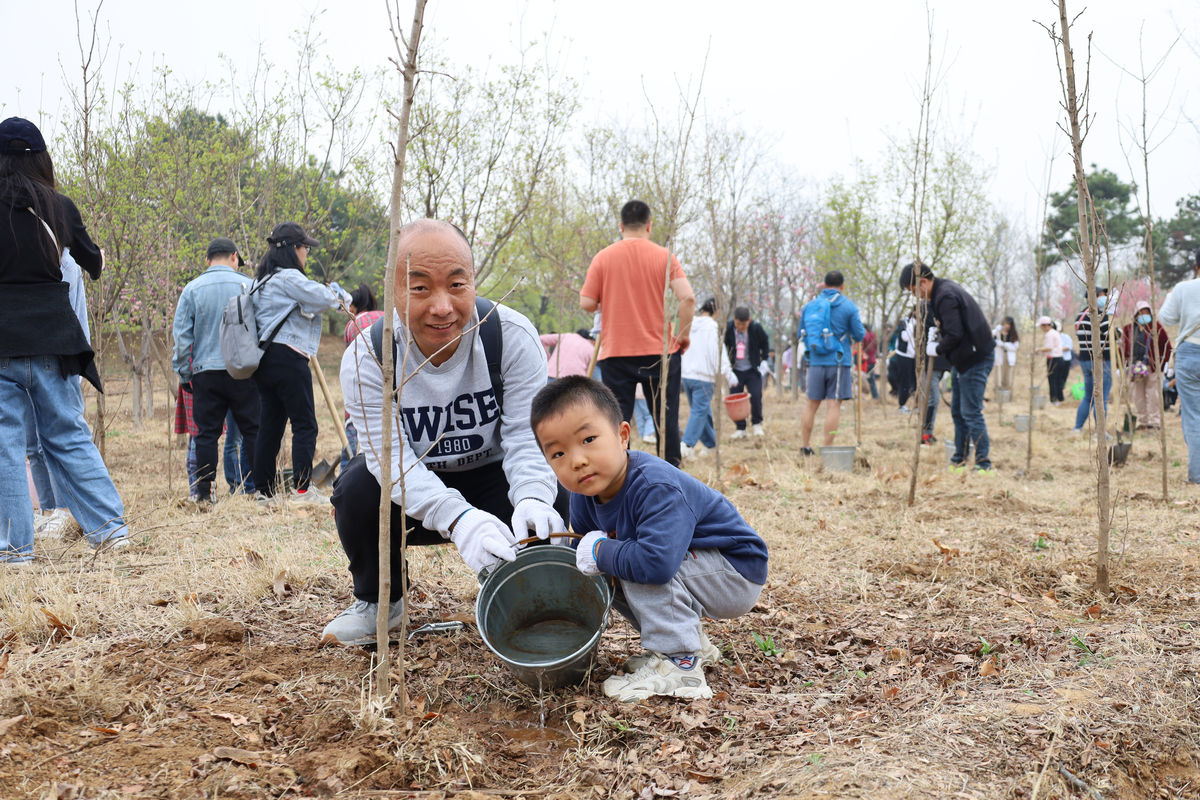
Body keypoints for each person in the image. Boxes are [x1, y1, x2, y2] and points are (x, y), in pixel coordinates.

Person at [322, 219, 570, 645]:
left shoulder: (511, 336)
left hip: (496, 479)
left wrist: (532, 497)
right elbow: (391, 460)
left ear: (473, 280)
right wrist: (458, 519)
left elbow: (527, 439)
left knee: (558, 491)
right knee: (358, 488)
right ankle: (381, 601)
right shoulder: (368, 356)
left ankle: (539, 596)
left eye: (457, 285)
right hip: (412, 488)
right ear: (393, 291)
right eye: (420, 288)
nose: (442, 307)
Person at [529, 376, 767, 702]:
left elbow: (656, 564)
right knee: (609, 565)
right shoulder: (583, 497)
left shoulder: (655, 486)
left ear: (622, 436)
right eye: (558, 453)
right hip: (692, 565)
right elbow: (585, 562)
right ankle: (690, 643)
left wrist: (600, 551)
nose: (577, 460)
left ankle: (679, 664)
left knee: (634, 559)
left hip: (735, 572)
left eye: (588, 439)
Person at [0, 117, 129, 561]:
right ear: (41, 159)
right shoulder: (58, 206)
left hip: (2, 341)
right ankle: (111, 533)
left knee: (5, 448)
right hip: (54, 339)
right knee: (69, 435)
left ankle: (14, 552)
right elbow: (94, 264)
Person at [580, 201, 695, 467]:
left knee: (617, 423)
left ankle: (622, 479)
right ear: (649, 226)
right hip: (660, 352)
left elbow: (587, 302)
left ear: (621, 226)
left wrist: (608, 297)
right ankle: (671, 477)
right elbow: (687, 298)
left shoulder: (603, 257)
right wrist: (683, 334)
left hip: (616, 352)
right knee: (665, 421)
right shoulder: (665, 257)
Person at [249, 222, 351, 505]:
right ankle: (304, 490)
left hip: (263, 362)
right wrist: (343, 294)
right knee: (305, 424)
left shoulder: (260, 281)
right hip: (288, 358)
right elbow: (325, 298)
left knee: (270, 427)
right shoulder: (288, 278)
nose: (306, 253)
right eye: (305, 247)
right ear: (293, 249)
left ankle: (263, 492)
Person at [172, 238, 261, 504]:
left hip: (206, 372)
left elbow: (182, 338)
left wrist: (184, 373)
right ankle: (261, 490)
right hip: (244, 371)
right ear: (234, 256)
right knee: (253, 431)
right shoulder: (249, 286)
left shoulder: (192, 289)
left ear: (207, 260)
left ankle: (204, 493)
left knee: (206, 434)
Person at [900, 262, 995, 473]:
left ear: (923, 282)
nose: (916, 296)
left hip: (976, 358)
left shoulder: (945, 295)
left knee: (971, 412)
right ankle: (959, 460)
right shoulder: (942, 291)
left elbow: (955, 333)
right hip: (964, 360)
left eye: (914, 291)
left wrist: (938, 347)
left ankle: (983, 464)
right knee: (958, 412)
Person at [797, 272, 865, 454]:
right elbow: (859, 335)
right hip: (839, 361)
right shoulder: (848, 306)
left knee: (810, 404)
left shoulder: (810, 306)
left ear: (824, 285)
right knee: (833, 405)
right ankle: (826, 450)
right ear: (842, 286)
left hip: (814, 362)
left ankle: (805, 447)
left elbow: (800, 333)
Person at [1160, 251, 1200, 484]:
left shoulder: (1183, 288)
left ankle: (1197, 475)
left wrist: (1170, 297)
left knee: (1193, 415)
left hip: (1190, 353)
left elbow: (1166, 318)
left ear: (1196, 264)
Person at [680, 297, 734, 458]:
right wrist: (726, 371)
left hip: (687, 375)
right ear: (717, 311)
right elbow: (715, 352)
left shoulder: (689, 323)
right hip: (704, 377)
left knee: (702, 410)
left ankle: (710, 444)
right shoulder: (711, 326)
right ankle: (686, 446)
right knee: (699, 411)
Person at [341, 284, 386, 473]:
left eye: (349, 307)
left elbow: (350, 362)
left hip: (364, 385)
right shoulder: (386, 316)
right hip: (391, 384)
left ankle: (346, 472)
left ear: (354, 306)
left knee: (353, 429)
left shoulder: (353, 323)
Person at [1121, 301, 1172, 431]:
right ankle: (1143, 421)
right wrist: (1122, 366)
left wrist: (1163, 363)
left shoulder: (1156, 328)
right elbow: (1123, 349)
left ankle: (1154, 422)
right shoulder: (1128, 329)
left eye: (1146, 312)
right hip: (1135, 368)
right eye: (1141, 313)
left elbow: (1167, 346)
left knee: (1153, 395)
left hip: (1153, 368)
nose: (1144, 315)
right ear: (1136, 315)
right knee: (1138, 395)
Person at [1072, 287, 1117, 436]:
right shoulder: (1099, 315)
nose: (1105, 298)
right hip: (1101, 361)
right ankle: (1100, 432)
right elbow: (1112, 335)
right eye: (1102, 296)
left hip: (1085, 359)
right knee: (1101, 398)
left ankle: (1077, 428)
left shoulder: (1080, 315)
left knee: (1088, 396)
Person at [724, 307, 771, 439]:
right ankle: (740, 428)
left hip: (752, 369)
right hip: (735, 370)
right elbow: (721, 347)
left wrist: (764, 360)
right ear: (734, 320)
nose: (740, 327)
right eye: (738, 324)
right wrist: (727, 369)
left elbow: (765, 342)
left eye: (743, 324)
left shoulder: (756, 328)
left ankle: (757, 424)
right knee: (735, 399)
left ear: (749, 321)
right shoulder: (727, 329)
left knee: (756, 396)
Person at [1035, 316, 1066, 404]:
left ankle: (1053, 400)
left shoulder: (1049, 334)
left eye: (1041, 326)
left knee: (1052, 380)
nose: (1041, 329)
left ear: (1045, 325)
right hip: (1060, 358)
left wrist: (1038, 350)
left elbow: (1049, 348)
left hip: (1053, 359)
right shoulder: (1056, 332)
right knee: (1059, 380)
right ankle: (1060, 398)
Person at [892, 312, 918, 412]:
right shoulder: (904, 322)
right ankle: (902, 404)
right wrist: (912, 323)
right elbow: (905, 337)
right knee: (904, 382)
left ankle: (917, 405)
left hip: (916, 357)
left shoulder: (922, 323)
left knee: (916, 382)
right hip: (904, 356)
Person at [994, 317, 1019, 391]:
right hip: (999, 356)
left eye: (1009, 324)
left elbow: (1015, 347)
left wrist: (1003, 344)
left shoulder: (1013, 335)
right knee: (998, 377)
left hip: (1008, 357)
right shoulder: (998, 333)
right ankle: (998, 392)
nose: (1007, 326)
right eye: (1006, 324)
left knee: (1007, 377)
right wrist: (996, 330)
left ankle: (1007, 392)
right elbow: (989, 336)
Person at [1054, 320, 1074, 400]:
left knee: (1063, 378)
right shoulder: (1053, 337)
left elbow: (1069, 347)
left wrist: (1057, 349)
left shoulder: (1066, 337)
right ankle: (1059, 397)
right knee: (1057, 379)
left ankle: (1060, 395)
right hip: (1056, 359)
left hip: (1065, 360)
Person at [861, 324, 879, 400]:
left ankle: (875, 396)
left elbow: (862, 346)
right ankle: (875, 396)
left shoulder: (866, 336)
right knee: (871, 379)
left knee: (868, 380)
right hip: (872, 360)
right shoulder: (874, 336)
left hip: (867, 361)